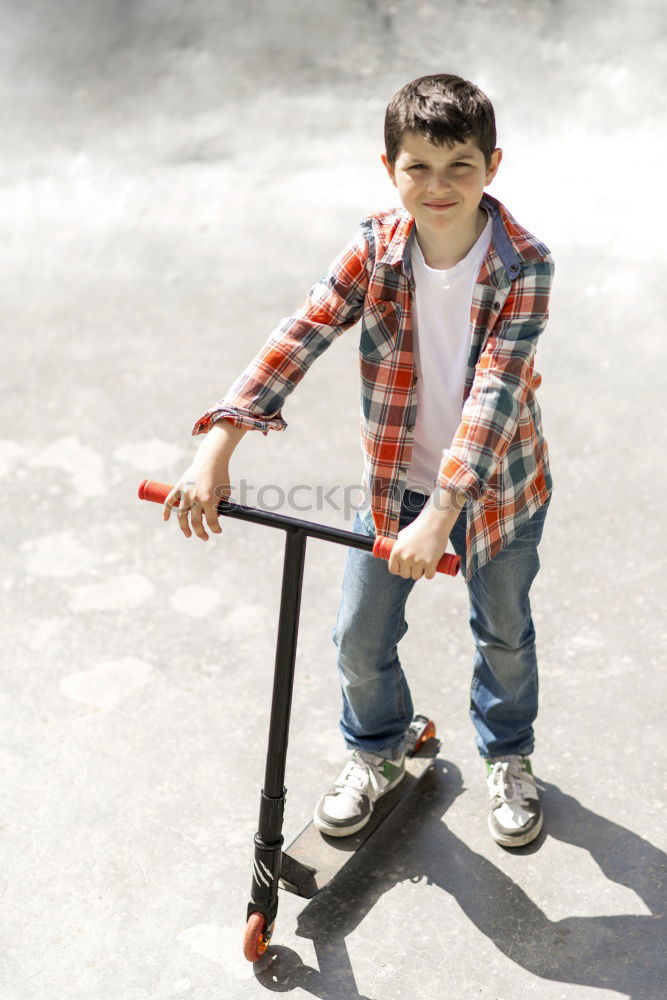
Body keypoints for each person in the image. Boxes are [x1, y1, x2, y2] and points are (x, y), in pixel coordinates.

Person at [163, 74, 555, 849]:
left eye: (459, 167)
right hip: (394, 487)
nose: (438, 187)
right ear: (390, 170)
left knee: (503, 632)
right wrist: (219, 441)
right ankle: (378, 749)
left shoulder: (524, 265)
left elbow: (493, 394)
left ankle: (508, 756)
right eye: (419, 168)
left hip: (498, 490)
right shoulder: (375, 247)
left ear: (492, 165)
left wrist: (441, 513)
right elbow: (301, 331)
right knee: (357, 637)